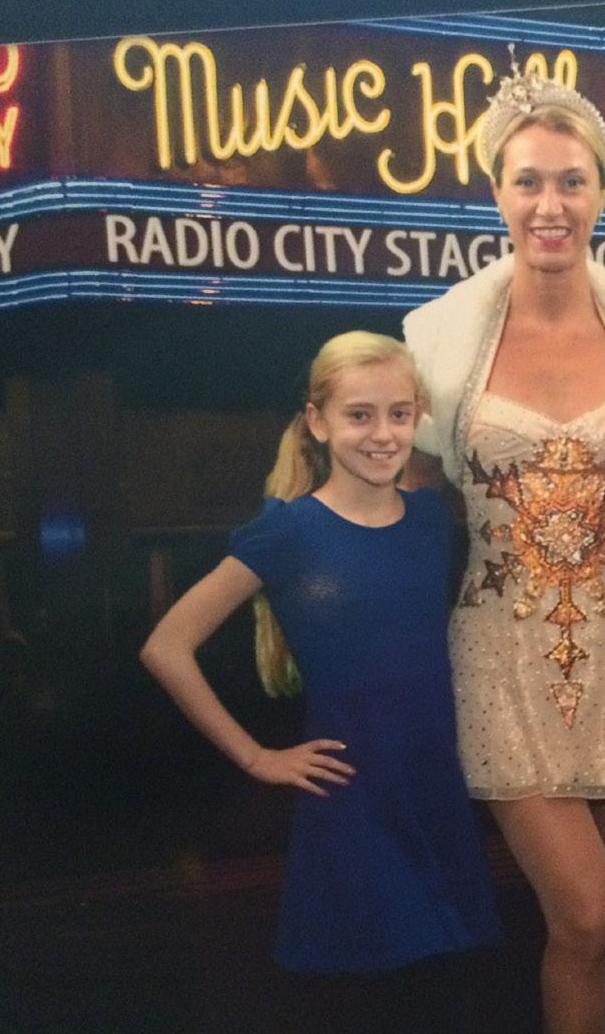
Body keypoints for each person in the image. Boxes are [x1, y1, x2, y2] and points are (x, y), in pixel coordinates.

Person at [402, 56, 605, 1034]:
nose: (549, 204)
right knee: (586, 910)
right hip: (498, 658)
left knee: (601, 922)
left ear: (603, 191)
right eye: (527, 181)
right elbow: (408, 497)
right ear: (496, 194)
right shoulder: (436, 341)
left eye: (572, 180)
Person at [139, 332, 501, 1023]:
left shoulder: (432, 519)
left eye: (399, 414)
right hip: (353, 796)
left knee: (447, 993)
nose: (382, 433)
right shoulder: (289, 532)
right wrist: (256, 757)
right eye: (359, 415)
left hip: (437, 787)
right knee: (365, 997)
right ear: (317, 421)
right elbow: (166, 646)